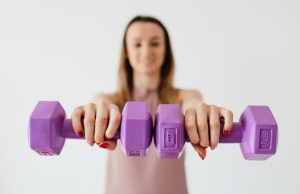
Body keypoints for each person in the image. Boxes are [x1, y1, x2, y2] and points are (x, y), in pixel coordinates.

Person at [71, 15, 233, 194]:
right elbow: (99, 102)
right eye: (137, 44)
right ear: (126, 51)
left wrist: (199, 113)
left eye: (155, 43)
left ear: (166, 50)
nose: (147, 51)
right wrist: (95, 110)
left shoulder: (185, 97)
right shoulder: (111, 101)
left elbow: (193, 104)